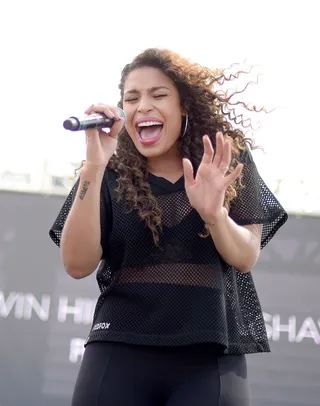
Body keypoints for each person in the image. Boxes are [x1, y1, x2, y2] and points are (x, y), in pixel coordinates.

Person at [49, 48, 288, 406]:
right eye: (132, 98)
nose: (143, 106)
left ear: (184, 106)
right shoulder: (109, 172)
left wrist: (215, 215)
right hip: (119, 346)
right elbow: (76, 264)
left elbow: (245, 256)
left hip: (209, 352)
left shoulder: (225, 159)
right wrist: (94, 166)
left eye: (158, 95)